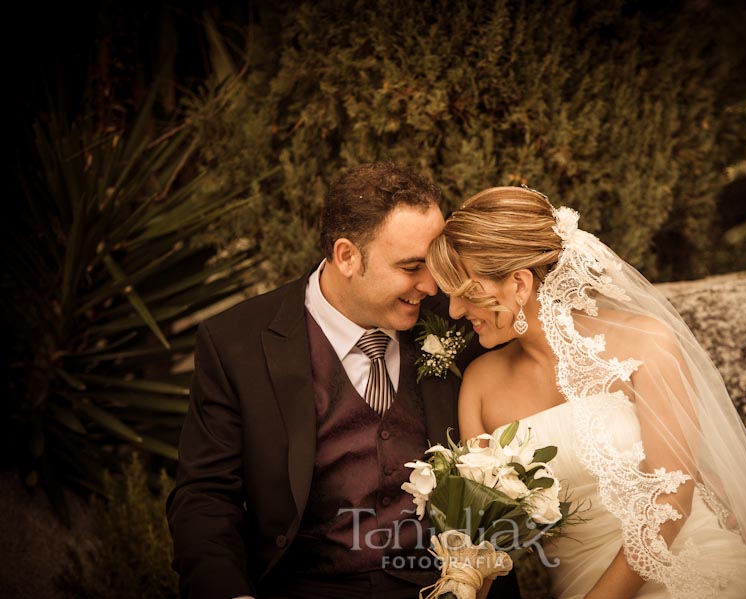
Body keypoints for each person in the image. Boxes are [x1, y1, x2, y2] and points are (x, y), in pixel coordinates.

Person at [426, 186, 746, 599]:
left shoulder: (645, 342)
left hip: (692, 567)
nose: (453, 312)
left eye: (466, 293)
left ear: (520, 285)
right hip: (576, 584)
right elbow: (484, 533)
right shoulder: (479, 385)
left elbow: (673, 499)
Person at [166, 164, 520, 599]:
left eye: (435, 262)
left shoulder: (464, 323)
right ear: (347, 256)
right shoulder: (236, 344)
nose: (432, 284)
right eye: (412, 267)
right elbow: (205, 496)